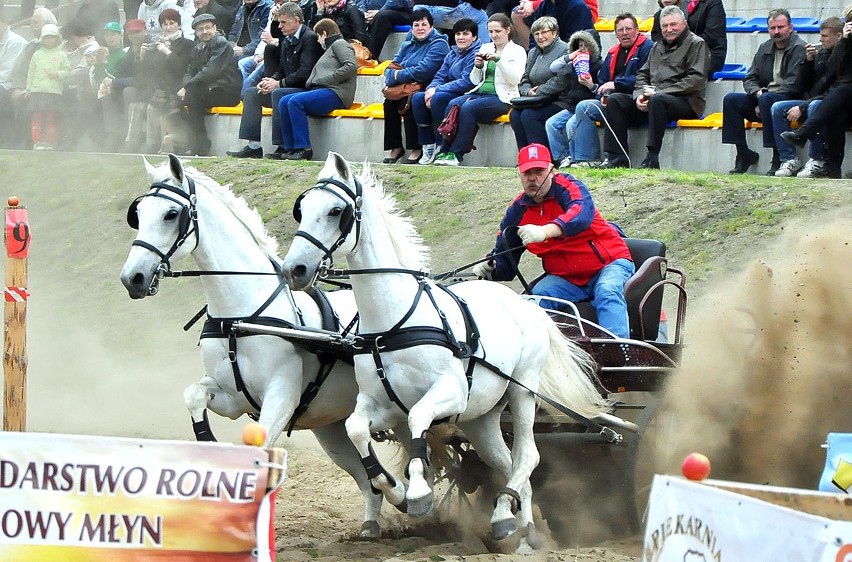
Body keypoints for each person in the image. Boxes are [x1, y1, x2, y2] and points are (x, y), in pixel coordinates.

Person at [473, 143, 634, 338]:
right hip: (566, 279)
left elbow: (581, 214)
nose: (533, 178)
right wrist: (491, 265)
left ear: (551, 171)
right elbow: (506, 259)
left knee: (607, 291)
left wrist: (546, 231)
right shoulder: (517, 210)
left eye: (539, 171)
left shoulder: (568, 186)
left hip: (610, 264)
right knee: (531, 301)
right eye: (527, 173)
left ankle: (619, 353)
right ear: (519, 175)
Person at [598, 6, 709, 169]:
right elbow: (642, 74)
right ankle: (617, 156)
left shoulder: (697, 44)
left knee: (658, 100)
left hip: (686, 101)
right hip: (654, 99)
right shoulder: (657, 47)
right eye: (665, 26)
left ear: (684, 24)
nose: (668, 29)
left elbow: (695, 80)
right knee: (615, 100)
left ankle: (652, 157)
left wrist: (658, 93)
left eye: (673, 25)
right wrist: (639, 97)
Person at [227, 2, 322, 159]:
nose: (280, 27)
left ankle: (282, 146)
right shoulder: (286, 40)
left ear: (296, 20)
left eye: (283, 22)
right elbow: (281, 70)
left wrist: (278, 84)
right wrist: (270, 80)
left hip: (304, 88)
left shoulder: (309, 38)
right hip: (286, 86)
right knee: (252, 93)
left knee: (278, 93)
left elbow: (305, 73)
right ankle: (254, 146)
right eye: (279, 22)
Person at [557, 13, 651, 168]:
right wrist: (599, 91)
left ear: (637, 30)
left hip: (634, 99)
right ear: (615, 33)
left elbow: (644, 78)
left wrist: (617, 84)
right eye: (620, 30)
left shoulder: (647, 48)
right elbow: (603, 81)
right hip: (611, 99)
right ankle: (581, 159)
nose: (625, 33)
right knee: (581, 111)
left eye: (628, 29)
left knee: (589, 106)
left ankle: (594, 158)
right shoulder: (613, 52)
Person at [432, 12, 524, 165]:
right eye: (491, 32)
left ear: (508, 30)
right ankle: (444, 151)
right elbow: (475, 80)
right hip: (480, 92)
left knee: (468, 107)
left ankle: (457, 154)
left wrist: (498, 60)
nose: (494, 35)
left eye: (498, 31)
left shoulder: (518, 51)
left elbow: (515, 79)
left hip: (502, 97)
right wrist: (478, 66)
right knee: (453, 103)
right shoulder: (486, 47)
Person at [721, 9, 805, 175]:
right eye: (772, 28)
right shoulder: (764, 47)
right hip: (764, 97)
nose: (776, 32)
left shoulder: (800, 48)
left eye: (780, 27)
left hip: (790, 100)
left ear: (791, 27)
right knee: (731, 99)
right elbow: (750, 77)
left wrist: (764, 98)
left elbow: (794, 84)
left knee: (768, 100)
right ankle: (743, 153)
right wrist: (757, 93)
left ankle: (777, 157)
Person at [781, 11, 852, 179]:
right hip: (845, 98)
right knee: (837, 112)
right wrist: (844, 41)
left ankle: (804, 134)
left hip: (844, 92)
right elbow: (831, 70)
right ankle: (832, 167)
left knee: (841, 91)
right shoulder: (847, 42)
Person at [275, 17, 357, 160]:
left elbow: (351, 66)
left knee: (295, 102)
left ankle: (304, 149)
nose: (318, 41)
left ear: (324, 34)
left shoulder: (340, 44)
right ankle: (291, 148)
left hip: (336, 93)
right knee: (283, 101)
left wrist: (329, 79)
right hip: (323, 91)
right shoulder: (331, 48)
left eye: (318, 36)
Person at [381, 9, 449, 164]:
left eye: (424, 24)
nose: (420, 28)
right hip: (406, 85)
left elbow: (424, 70)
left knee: (411, 101)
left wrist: (398, 74)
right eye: (416, 25)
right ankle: (395, 147)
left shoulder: (439, 43)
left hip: (428, 85)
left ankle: (416, 148)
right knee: (389, 103)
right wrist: (397, 74)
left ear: (431, 26)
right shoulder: (408, 44)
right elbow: (390, 67)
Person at [411, 17, 480, 165]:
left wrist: (437, 90)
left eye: (465, 34)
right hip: (445, 90)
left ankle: (440, 142)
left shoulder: (477, 53)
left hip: (466, 93)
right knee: (417, 98)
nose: (460, 37)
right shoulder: (452, 53)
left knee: (439, 98)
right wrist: (431, 89)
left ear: (474, 37)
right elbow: (440, 75)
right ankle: (427, 144)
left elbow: (466, 82)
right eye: (458, 34)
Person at [179, 13, 242, 155]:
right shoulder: (198, 47)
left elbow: (210, 72)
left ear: (215, 28)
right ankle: (190, 142)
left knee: (192, 96)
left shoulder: (222, 44)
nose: (205, 32)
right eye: (200, 29)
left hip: (226, 91)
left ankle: (200, 144)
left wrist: (187, 87)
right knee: (179, 100)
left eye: (208, 27)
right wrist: (185, 85)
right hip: (208, 90)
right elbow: (189, 71)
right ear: (196, 32)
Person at [543, 28, 601, 168]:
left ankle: (578, 159)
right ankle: (564, 157)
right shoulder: (574, 65)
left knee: (571, 125)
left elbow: (601, 90)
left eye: (586, 45)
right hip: (572, 106)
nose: (582, 49)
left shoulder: (599, 65)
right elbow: (554, 67)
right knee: (551, 124)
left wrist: (590, 85)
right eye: (579, 46)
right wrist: (571, 56)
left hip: (588, 107)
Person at [509, 16, 568, 152]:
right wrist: (528, 92)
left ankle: (542, 158)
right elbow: (524, 79)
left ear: (554, 33)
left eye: (544, 32)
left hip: (559, 100)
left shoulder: (564, 50)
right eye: (536, 34)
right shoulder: (533, 52)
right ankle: (526, 157)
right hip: (536, 100)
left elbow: (562, 80)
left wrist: (539, 91)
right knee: (515, 115)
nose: (540, 37)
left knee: (529, 115)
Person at [141, 8, 194, 153]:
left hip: (178, 89)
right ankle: (152, 145)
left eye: (172, 23)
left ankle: (173, 146)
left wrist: (167, 52)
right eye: (165, 24)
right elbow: (148, 72)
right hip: (160, 89)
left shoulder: (188, 44)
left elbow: (182, 67)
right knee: (152, 106)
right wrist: (142, 56)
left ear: (179, 25)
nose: (168, 27)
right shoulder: (156, 44)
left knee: (168, 106)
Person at [24, 23, 69, 150]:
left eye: (52, 37)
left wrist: (58, 74)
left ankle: (49, 143)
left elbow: (67, 71)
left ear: (57, 38)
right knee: (37, 116)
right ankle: (37, 141)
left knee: (50, 117)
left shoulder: (62, 55)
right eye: (46, 37)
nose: (49, 40)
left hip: (53, 92)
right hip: (37, 91)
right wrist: (28, 88)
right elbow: (31, 72)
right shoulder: (36, 55)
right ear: (42, 39)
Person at [650, 0, 726, 76]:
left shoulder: (713, 3)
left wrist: (678, 44)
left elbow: (711, 37)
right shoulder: (675, 4)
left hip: (707, 53)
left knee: (674, 72)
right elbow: (656, 36)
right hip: (675, 53)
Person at [515, 0, 593, 51]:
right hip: (547, 57)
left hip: (572, 61)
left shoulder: (578, 7)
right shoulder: (544, 5)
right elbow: (534, 36)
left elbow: (573, 44)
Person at [0, 13, 28, 148]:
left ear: (4, 23)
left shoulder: (16, 42)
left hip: (11, 83)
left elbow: (8, 72)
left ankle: (6, 140)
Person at [229, 0, 273, 84]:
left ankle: (243, 95)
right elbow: (233, 32)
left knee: (240, 63)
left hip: (255, 51)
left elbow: (262, 37)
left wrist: (244, 49)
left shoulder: (268, 7)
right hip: (238, 48)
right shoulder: (242, 8)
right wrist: (230, 46)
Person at [411, 0, 489, 43]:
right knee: (482, 17)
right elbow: (478, 4)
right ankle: (484, 56)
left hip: (418, 9)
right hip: (441, 10)